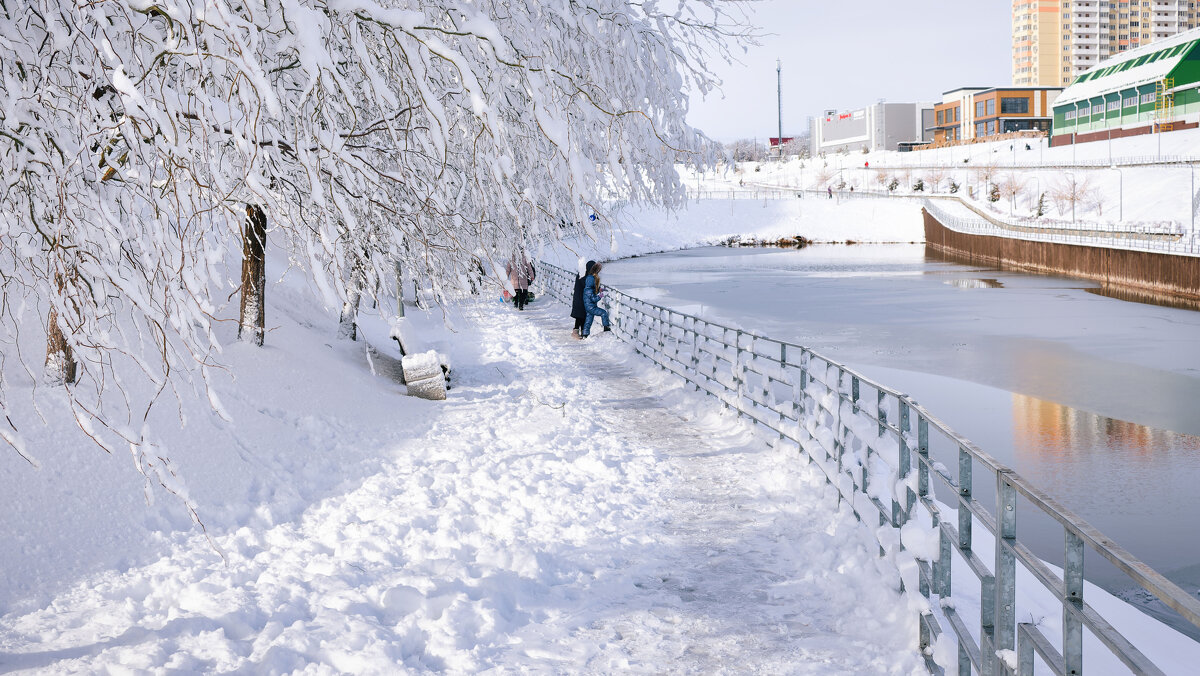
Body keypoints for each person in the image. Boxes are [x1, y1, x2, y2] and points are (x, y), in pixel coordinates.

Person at [580, 261, 610, 338]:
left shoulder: (588, 289)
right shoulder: (589, 290)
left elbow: (593, 290)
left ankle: (585, 334)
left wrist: (600, 289)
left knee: (588, 321)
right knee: (603, 313)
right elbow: (593, 299)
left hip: (588, 306)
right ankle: (606, 328)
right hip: (591, 307)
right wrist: (600, 296)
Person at [570, 259, 596, 339]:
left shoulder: (583, 274)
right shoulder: (584, 276)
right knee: (581, 316)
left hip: (580, 298)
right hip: (581, 299)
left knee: (581, 316)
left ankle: (580, 332)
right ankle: (579, 333)